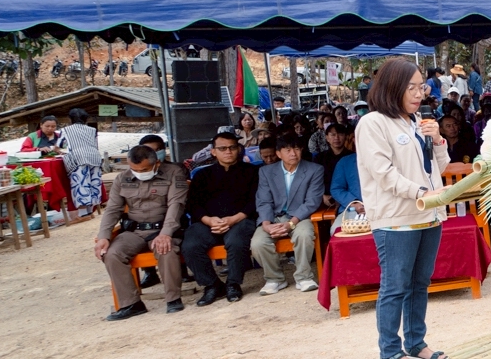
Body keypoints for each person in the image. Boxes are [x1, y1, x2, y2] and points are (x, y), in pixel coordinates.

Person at [357, 58, 450, 359]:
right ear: (392, 87)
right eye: (411, 88)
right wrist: (422, 192)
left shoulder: (416, 121)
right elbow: (383, 173)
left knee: (419, 283)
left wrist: (438, 140)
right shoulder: (373, 123)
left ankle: (416, 343)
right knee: (395, 286)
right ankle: (389, 354)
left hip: (429, 214)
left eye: (421, 87)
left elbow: (438, 167)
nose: (419, 94)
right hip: (396, 219)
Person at [95, 143, 188, 320]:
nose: (139, 173)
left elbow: (176, 205)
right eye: (134, 169)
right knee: (112, 254)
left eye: (144, 169)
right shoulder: (122, 178)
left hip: (162, 228)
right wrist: (103, 237)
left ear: (156, 163)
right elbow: (112, 209)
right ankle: (131, 304)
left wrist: (166, 233)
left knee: (165, 249)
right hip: (134, 231)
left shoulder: (174, 173)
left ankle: (173, 299)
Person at [182, 131, 259, 306]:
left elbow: (255, 201)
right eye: (222, 148)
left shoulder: (252, 172)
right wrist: (208, 220)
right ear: (213, 152)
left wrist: (234, 219)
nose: (228, 152)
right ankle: (212, 285)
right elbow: (193, 204)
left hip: (241, 219)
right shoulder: (202, 175)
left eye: (232, 147)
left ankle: (233, 284)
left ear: (238, 149)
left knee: (237, 241)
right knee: (191, 244)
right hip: (209, 223)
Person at [252, 135, 325, 294]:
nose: (293, 153)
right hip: (273, 217)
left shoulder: (314, 170)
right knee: (257, 243)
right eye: (288, 150)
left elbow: (312, 202)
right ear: (278, 153)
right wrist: (266, 224)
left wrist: (291, 223)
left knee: (304, 235)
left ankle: (304, 277)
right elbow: (264, 201)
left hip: (300, 216)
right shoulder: (266, 171)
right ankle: (275, 279)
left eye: (297, 149)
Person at [57, 108, 104, 212]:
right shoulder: (92, 130)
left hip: (79, 157)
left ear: (70, 119)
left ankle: (83, 213)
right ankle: (91, 211)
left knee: (81, 184)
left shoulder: (65, 130)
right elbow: (95, 144)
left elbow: (58, 145)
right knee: (94, 183)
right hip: (95, 157)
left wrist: (58, 150)